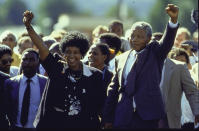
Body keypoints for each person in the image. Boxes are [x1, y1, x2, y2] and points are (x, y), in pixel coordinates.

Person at [23, 11, 106, 128]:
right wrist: (28, 26)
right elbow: (42, 46)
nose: (71, 56)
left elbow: (100, 105)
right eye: (68, 52)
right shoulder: (56, 68)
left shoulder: (94, 75)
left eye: (76, 52)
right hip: (56, 125)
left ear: (82, 54)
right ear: (63, 53)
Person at [103, 4, 179, 129]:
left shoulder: (155, 53)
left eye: (140, 36)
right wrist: (107, 117)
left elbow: (167, 42)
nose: (135, 39)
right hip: (123, 116)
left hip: (147, 116)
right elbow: (113, 89)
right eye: (132, 36)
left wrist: (173, 21)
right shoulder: (120, 59)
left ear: (149, 39)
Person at [4, 48, 47, 129]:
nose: (27, 63)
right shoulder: (10, 83)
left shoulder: (45, 83)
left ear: (38, 62)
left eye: (31, 60)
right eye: (25, 59)